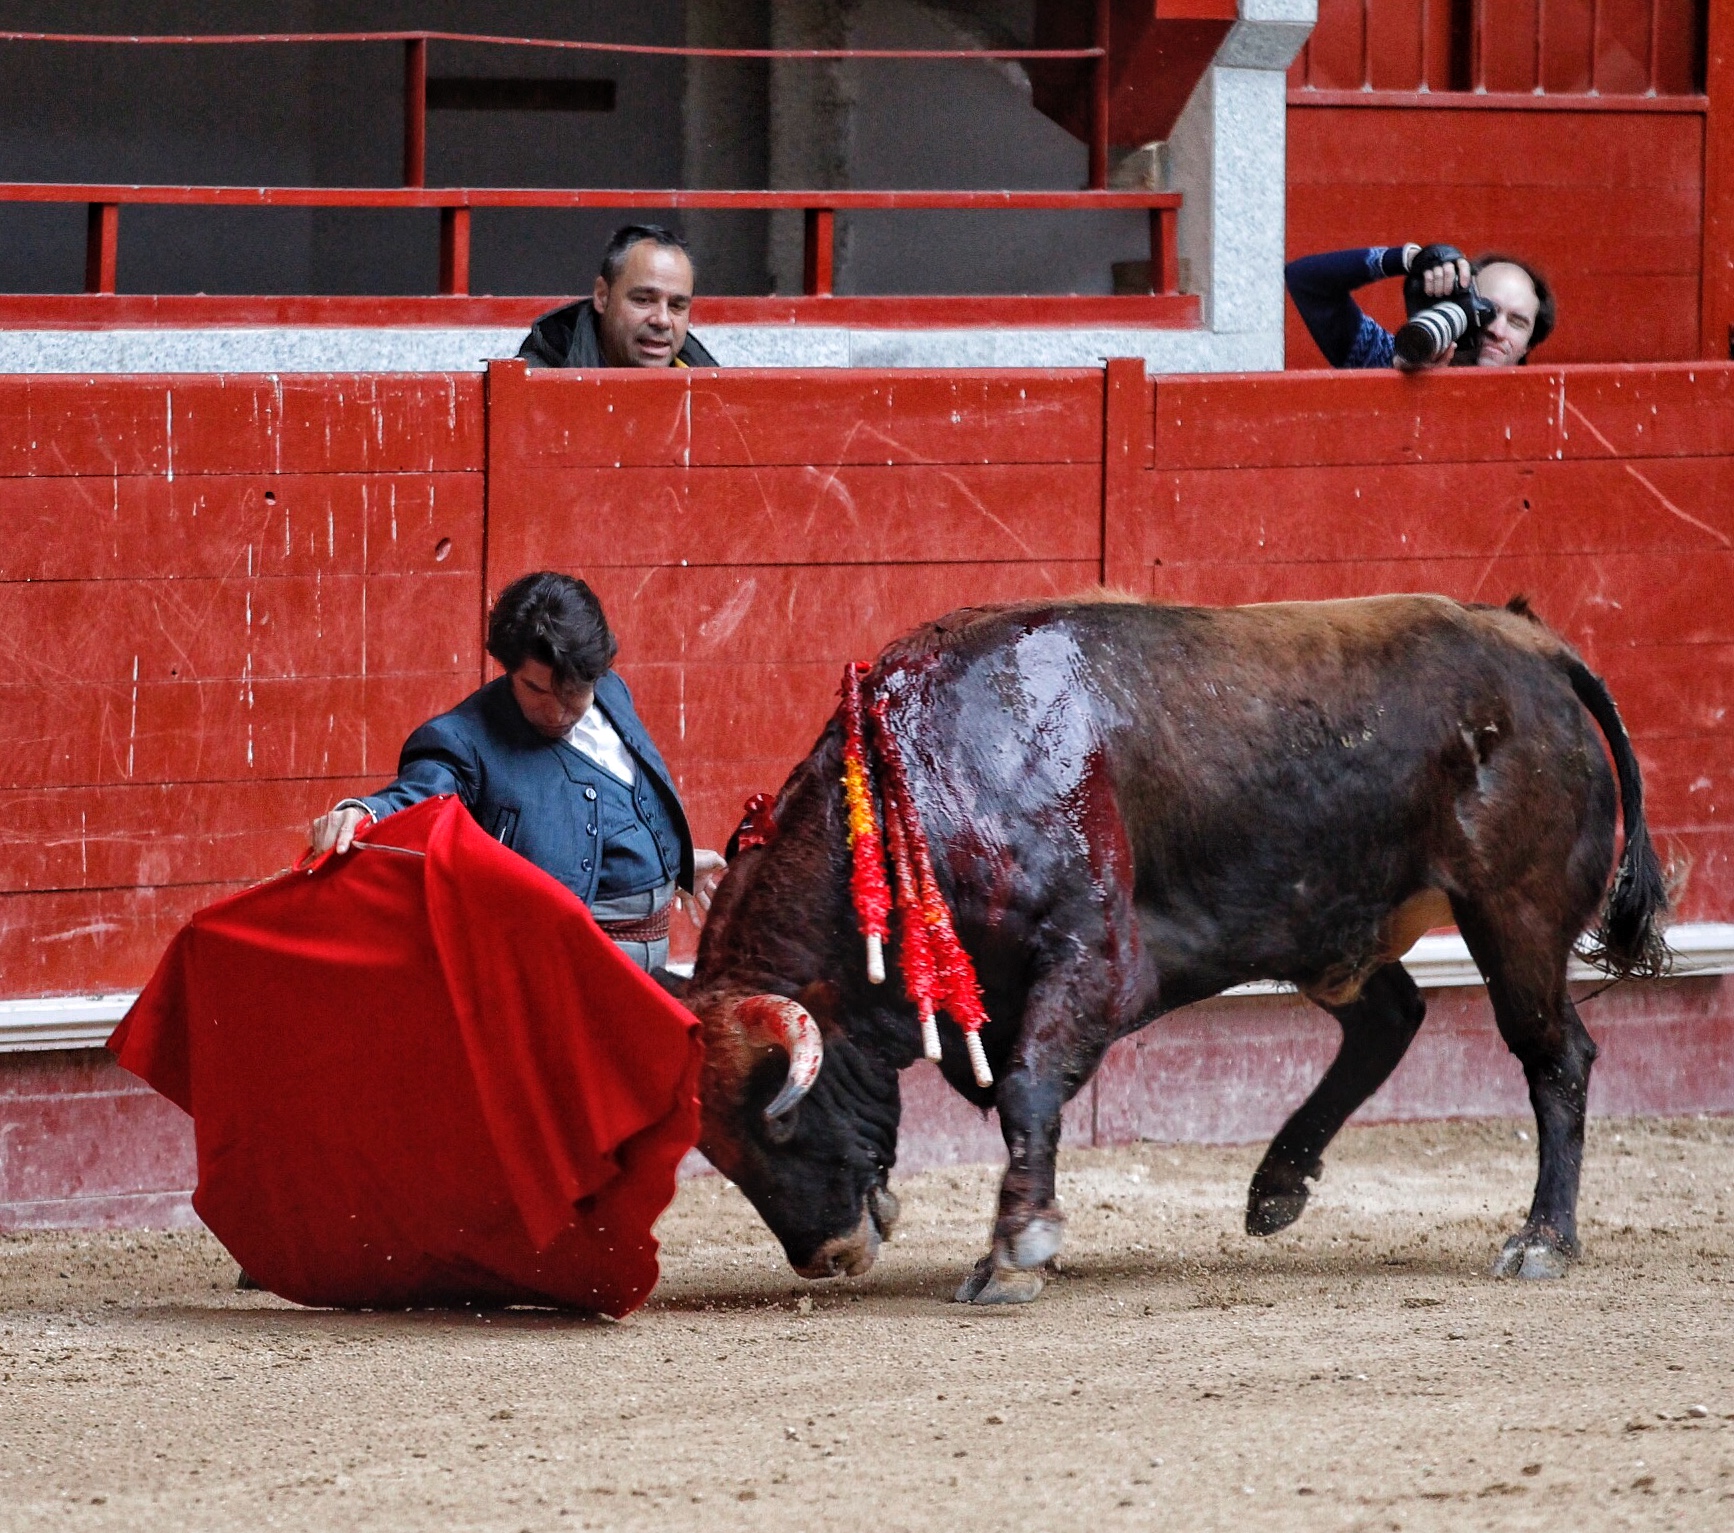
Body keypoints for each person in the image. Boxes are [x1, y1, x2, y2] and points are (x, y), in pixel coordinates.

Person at [308, 571, 725, 972]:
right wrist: (363, 813)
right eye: (536, 689)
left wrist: (672, 863)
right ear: (509, 669)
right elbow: (417, 795)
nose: (557, 712)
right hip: (554, 970)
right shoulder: (463, 740)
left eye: (573, 692)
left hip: (650, 967)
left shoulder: (612, 692)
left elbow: (615, 807)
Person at [1285, 243, 1555, 370]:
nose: (1497, 329)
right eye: (1487, 311)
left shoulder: (1541, 404)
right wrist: (1408, 259)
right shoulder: (1394, 361)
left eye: (1517, 322)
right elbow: (1305, 280)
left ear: (1529, 344)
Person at [518, 224, 719, 369]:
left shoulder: (709, 385)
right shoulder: (539, 379)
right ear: (602, 296)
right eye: (643, 300)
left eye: (676, 306)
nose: (662, 320)